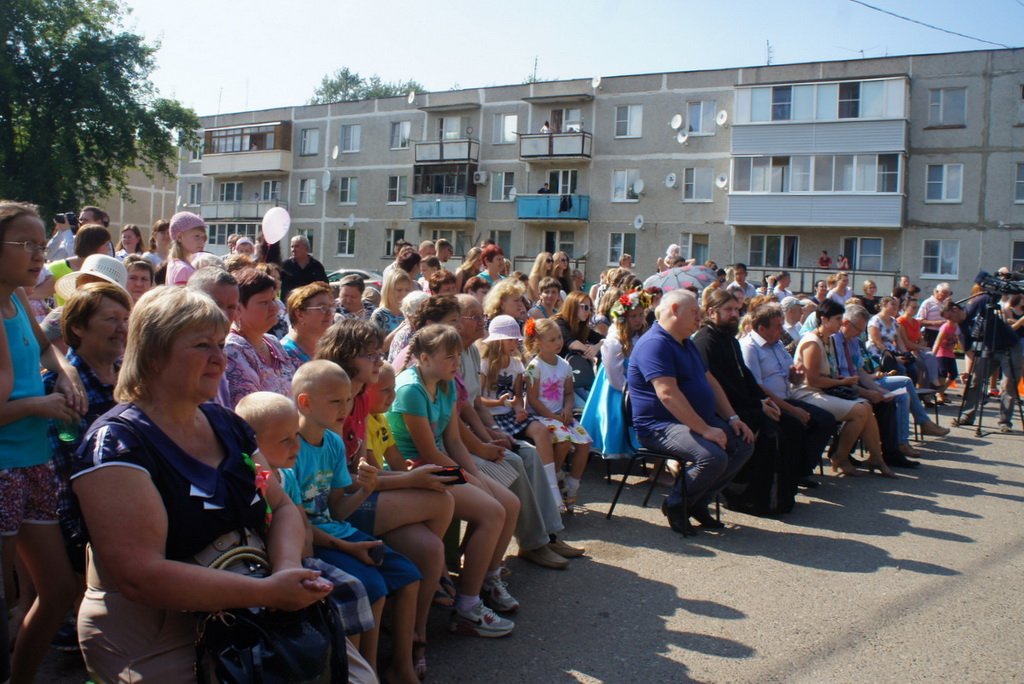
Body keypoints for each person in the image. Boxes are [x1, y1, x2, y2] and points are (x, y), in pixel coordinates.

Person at [70, 286, 332, 681]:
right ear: (154, 353)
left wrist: (286, 571)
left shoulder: (225, 425)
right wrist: (268, 592)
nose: (219, 360)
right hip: (157, 634)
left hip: (250, 616)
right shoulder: (117, 444)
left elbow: (280, 506)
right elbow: (140, 576)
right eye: (201, 346)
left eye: (220, 345)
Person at [289, 361, 428, 683]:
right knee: (374, 589)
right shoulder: (290, 448)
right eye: (335, 401)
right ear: (305, 402)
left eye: (348, 400)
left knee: (409, 576)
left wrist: (366, 489)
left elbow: (337, 508)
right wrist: (348, 547)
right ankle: (368, 673)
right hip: (315, 542)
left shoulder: (334, 443)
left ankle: (402, 667)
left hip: (339, 530)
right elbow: (298, 524)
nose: (345, 408)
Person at [233, 392, 378, 684]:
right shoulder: (247, 483)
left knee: (356, 589)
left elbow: (303, 526)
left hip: (303, 558)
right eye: (285, 440)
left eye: (295, 436)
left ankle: (349, 667)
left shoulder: (286, 478)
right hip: (271, 570)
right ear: (254, 445)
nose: (296, 446)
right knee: (345, 593)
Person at [386, 325, 517, 637]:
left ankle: (486, 577)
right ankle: (467, 607)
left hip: (440, 463)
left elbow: (454, 442)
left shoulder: (444, 385)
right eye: (449, 357)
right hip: (415, 469)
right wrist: (472, 480)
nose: (457, 362)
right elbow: (428, 452)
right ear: (424, 358)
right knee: (492, 511)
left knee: (510, 504)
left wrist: (477, 477)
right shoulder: (410, 389)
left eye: (458, 356)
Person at [1, 202, 85, 683]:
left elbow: (48, 344)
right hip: (4, 468)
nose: (40, 255)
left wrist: (67, 373)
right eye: (26, 245)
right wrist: (40, 405)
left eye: (41, 244)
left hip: (33, 463)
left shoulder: (15, 301)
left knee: (56, 591)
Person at [626, 289, 755, 533]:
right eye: (694, 312)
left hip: (691, 421)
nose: (700, 317)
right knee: (712, 456)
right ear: (675, 311)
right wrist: (705, 429)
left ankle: (697, 503)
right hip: (659, 426)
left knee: (743, 443)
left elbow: (710, 381)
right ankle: (676, 504)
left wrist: (733, 417)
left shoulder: (686, 342)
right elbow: (668, 394)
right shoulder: (655, 344)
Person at [790, 300, 894, 477]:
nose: (841, 322)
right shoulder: (813, 343)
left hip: (822, 392)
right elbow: (813, 381)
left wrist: (841, 380)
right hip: (807, 395)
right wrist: (842, 382)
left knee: (866, 407)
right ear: (824, 319)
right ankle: (841, 457)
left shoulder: (827, 340)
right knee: (861, 410)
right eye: (838, 319)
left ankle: (876, 457)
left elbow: (827, 375)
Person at [740, 304, 837, 487]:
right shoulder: (749, 348)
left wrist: (796, 376)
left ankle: (801, 470)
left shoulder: (777, 345)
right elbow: (758, 387)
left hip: (787, 397)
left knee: (826, 420)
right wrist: (793, 410)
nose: (781, 330)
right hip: (768, 404)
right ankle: (792, 473)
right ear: (762, 328)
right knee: (796, 424)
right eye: (777, 326)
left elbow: (791, 376)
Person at [523, 318, 593, 508]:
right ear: (538, 342)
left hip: (560, 415)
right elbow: (533, 399)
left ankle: (572, 484)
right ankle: (553, 478)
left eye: (559, 337)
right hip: (540, 416)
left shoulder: (564, 365)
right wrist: (552, 416)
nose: (559, 342)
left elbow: (569, 392)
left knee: (585, 442)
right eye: (552, 339)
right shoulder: (534, 367)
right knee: (563, 440)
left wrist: (568, 408)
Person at [582, 288, 650, 460]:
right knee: (615, 417)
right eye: (633, 316)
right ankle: (615, 447)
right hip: (617, 386)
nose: (638, 320)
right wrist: (629, 389)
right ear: (624, 318)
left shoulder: (641, 334)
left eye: (640, 315)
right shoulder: (615, 340)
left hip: (634, 382)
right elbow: (614, 373)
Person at [224, 268, 297, 407]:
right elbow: (251, 411)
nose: (274, 308)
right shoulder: (232, 350)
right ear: (238, 309)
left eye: (273, 299)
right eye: (264, 302)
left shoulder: (273, 342)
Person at [283, 281, 337, 366]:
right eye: (323, 308)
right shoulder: (284, 355)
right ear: (300, 314)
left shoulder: (329, 351)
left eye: (331, 307)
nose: (329, 313)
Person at [279, 235, 328, 302]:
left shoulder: (316, 266)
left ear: (306, 248)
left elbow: (324, 286)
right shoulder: (285, 265)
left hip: (310, 305)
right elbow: (276, 284)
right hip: (289, 305)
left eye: (297, 246)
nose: (293, 249)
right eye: (292, 246)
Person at [372, 268, 413, 344]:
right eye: (399, 290)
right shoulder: (379, 315)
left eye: (407, 290)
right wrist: (401, 328)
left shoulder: (410, 312)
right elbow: (378, 348)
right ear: (389, 290)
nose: (404, 294)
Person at [165, 211, 207, 286]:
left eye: (203, 237)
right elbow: (183, 297)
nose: (202, 242)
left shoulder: (173, 264)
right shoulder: (183, 269)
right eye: (197, 236)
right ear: (179, 237)